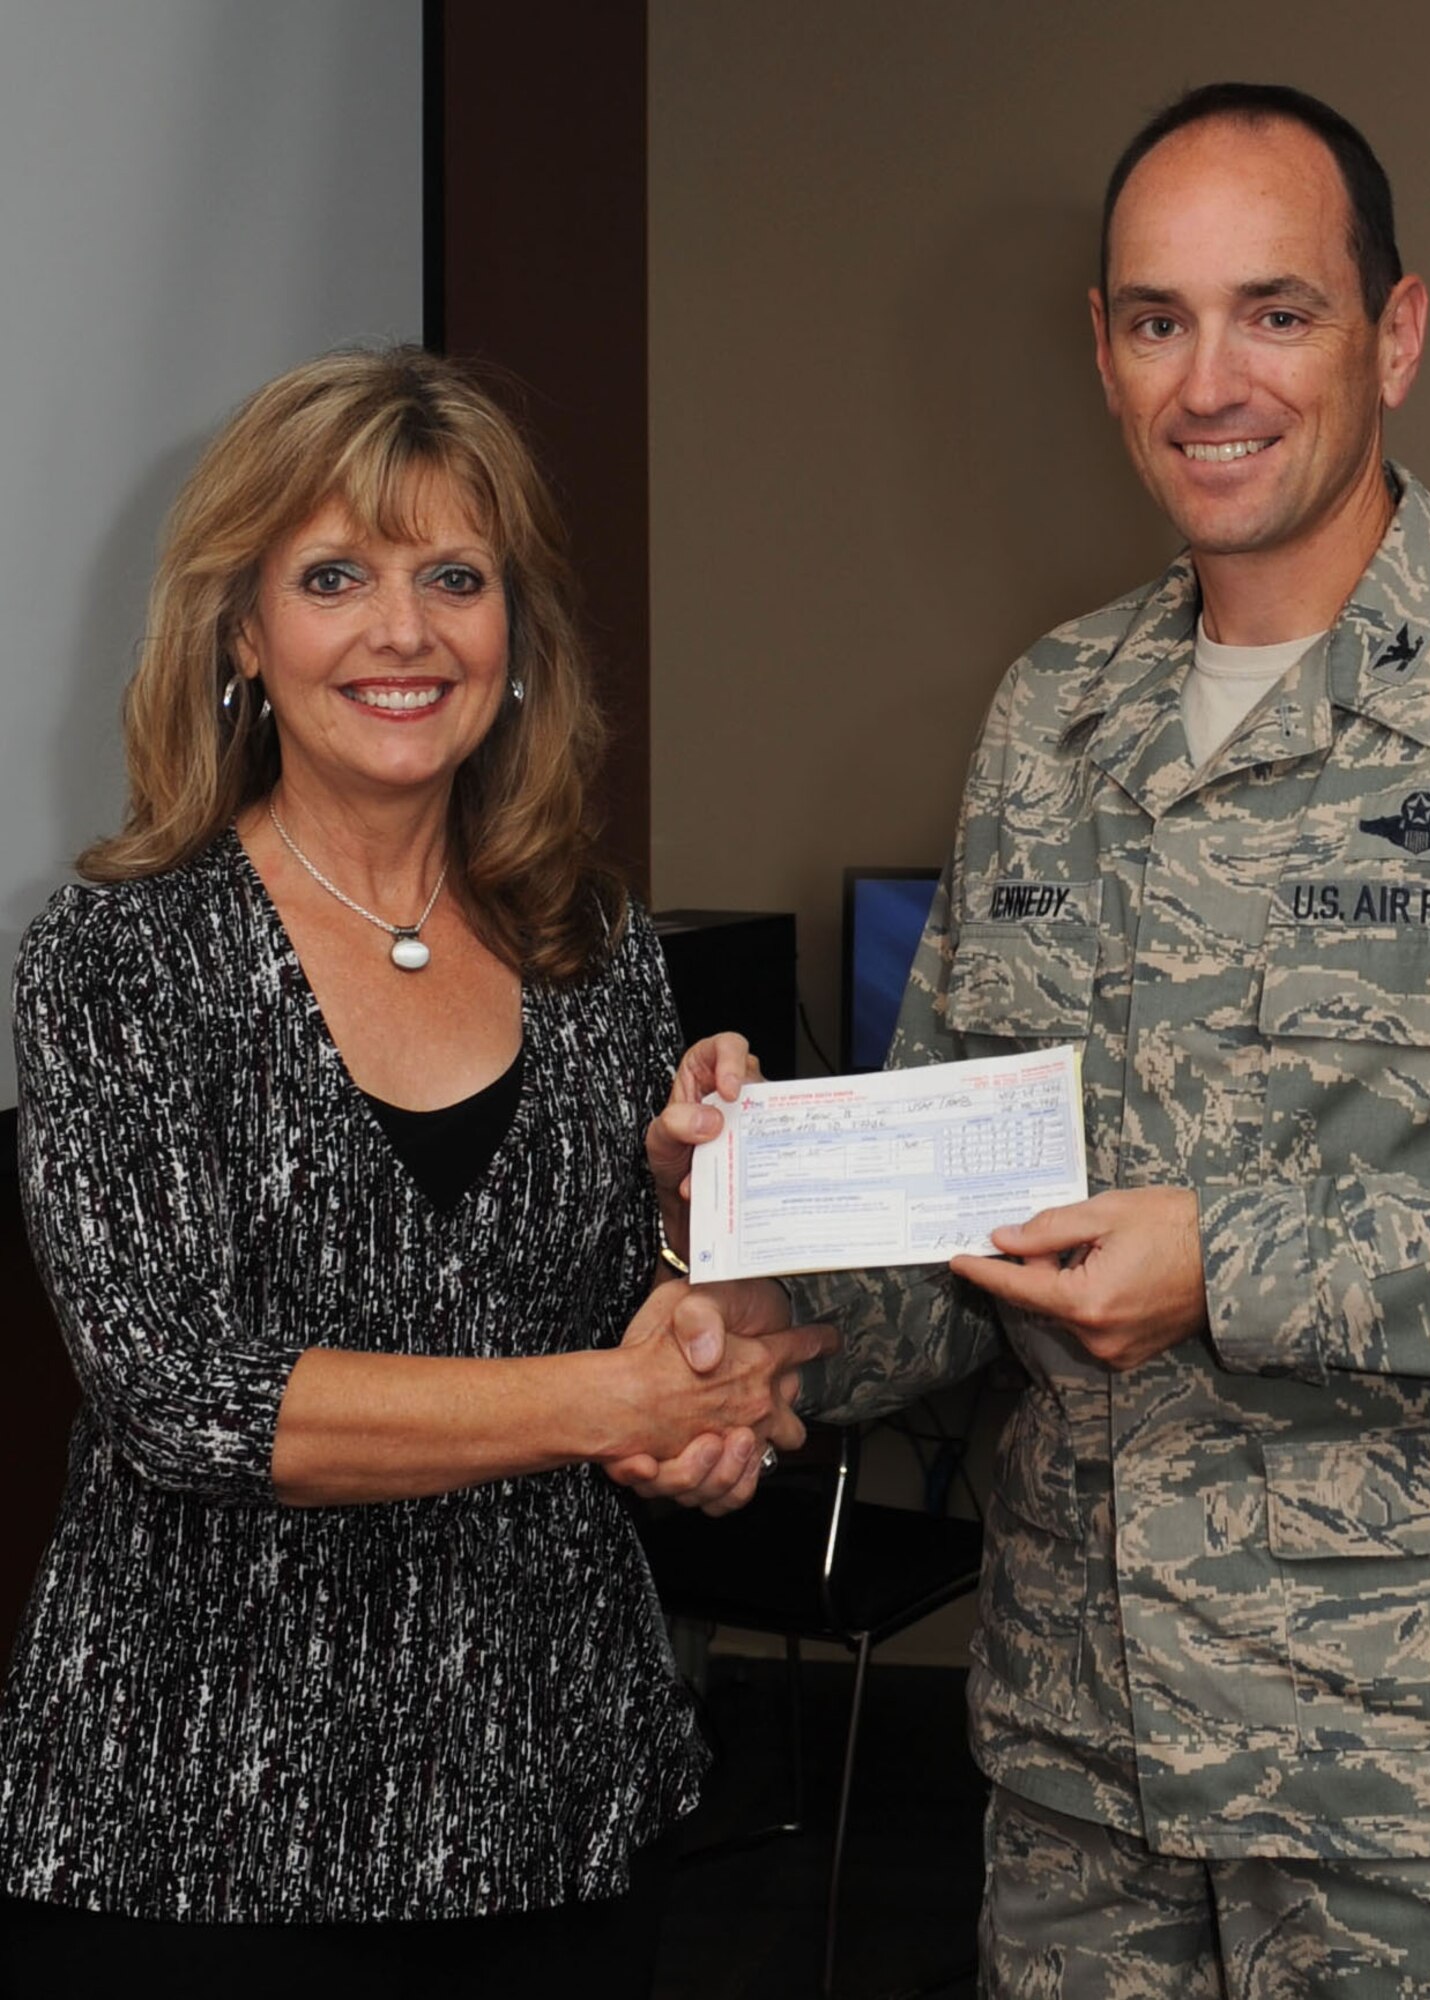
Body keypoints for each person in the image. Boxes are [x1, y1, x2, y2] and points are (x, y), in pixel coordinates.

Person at [646, 83, 1430, 1994]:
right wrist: (761, 1269)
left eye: (1274, 312)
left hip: (1428, 1793)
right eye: (1157, 319)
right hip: (1080, 1766)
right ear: (1101, 350)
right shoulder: (1052, 714)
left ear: (1394, 333)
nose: (1208, 381)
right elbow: (958, 1225)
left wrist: (1226, 1260)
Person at [0, 346, 832, 1997]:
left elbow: (652, 1338)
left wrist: (705, 1243)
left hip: (557, 1802)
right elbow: (183, 1400)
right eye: (334, 578)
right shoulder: (118, 955)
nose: (405, 631)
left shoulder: (592, 941)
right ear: (243, 632)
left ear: (513, 632)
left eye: (455, 577)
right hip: (194, 1832)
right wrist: (616, 1402)